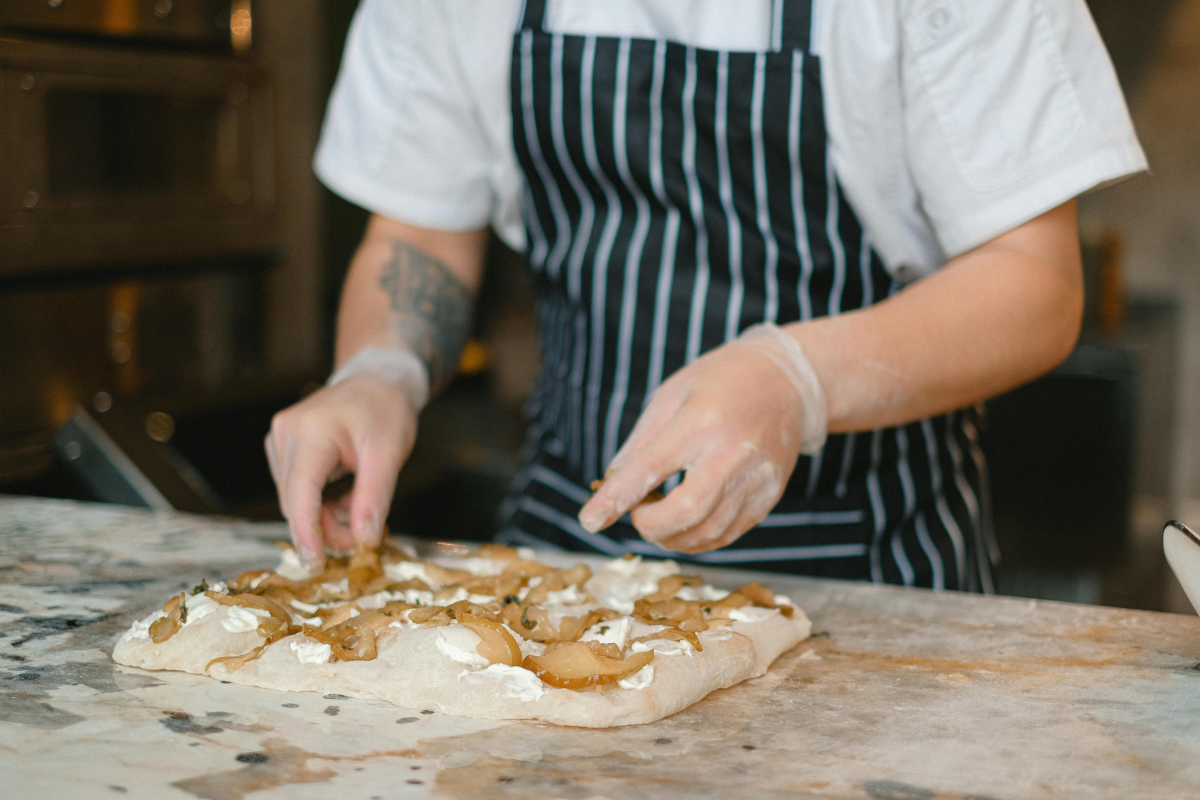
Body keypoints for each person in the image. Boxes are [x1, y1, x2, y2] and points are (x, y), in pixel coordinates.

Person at [265, 0, 1146, 591]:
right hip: (561, 565)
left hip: (871, 574)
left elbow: (1034, 279)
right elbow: (420, 233)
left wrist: (797, 377)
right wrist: (381, 371)